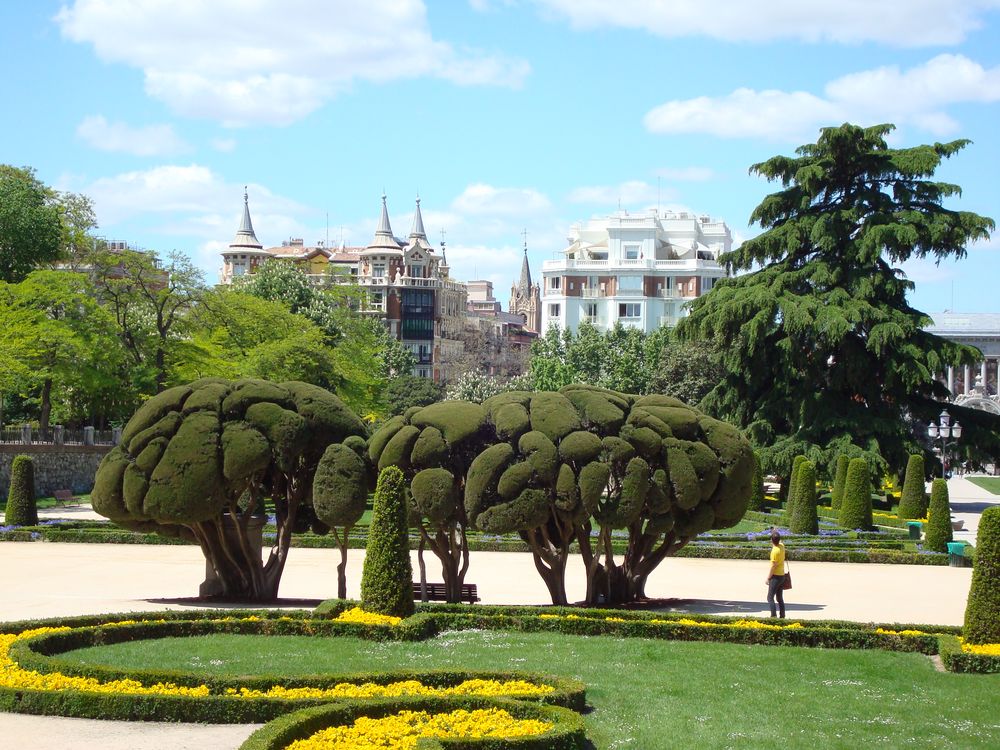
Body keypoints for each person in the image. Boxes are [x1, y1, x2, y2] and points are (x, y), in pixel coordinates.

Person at [766, 530, 786, 618]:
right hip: (782, 575)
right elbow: (780, 541)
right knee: (779, 598)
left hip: (775, 577)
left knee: (770, 598)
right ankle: (782, 616)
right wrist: (775, 531)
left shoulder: (774, 552)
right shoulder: (782, 546)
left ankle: (773, 616)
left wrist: (768, 578)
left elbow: (773, 567)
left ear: (771, 540)